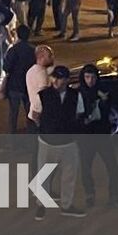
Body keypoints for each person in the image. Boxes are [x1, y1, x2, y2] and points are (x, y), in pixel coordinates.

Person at [34, 65, 86, 219]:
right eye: (55, 77)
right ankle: (40, 204)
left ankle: (66, 205)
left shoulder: (75, 95)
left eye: (60, 78)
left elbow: (79, 114)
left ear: (67, 80)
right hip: (47, 142)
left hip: (68, 142)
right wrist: (47, 128)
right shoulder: (42, 95)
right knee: (44, 175)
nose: (56, 81)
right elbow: (35, 115)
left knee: (69, 176)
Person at [77, 63, 118, 208]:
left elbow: (108, 110)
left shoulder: (103, 91)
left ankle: (113, 196)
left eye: (92, 77)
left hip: (102, 135)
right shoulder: (79, 93)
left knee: (113, 167)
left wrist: (103, 101)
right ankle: (90, 194)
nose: (90, 81)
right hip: (86, 136)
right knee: (85, 167)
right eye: (87, 77)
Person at [0, 25, 35, 134]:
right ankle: (31, 136)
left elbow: (6, 67)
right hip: (28, 86)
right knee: (30, 113)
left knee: (13, 113)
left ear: (17, 35)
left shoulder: (13, 50)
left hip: (14, 86)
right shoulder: (33, 50)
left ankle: (12, 137)